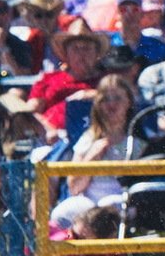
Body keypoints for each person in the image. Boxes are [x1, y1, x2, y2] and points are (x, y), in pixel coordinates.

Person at [49, 74, 141, 230]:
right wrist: (92, 155)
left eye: (117, 98)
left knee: (108, 208)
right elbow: (74, 187)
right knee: (62, 213)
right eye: (105, 99)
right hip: (89, 200)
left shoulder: (137, 141)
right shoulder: (88, 138)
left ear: (128, 102)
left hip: (123, 200)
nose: (111, 104)